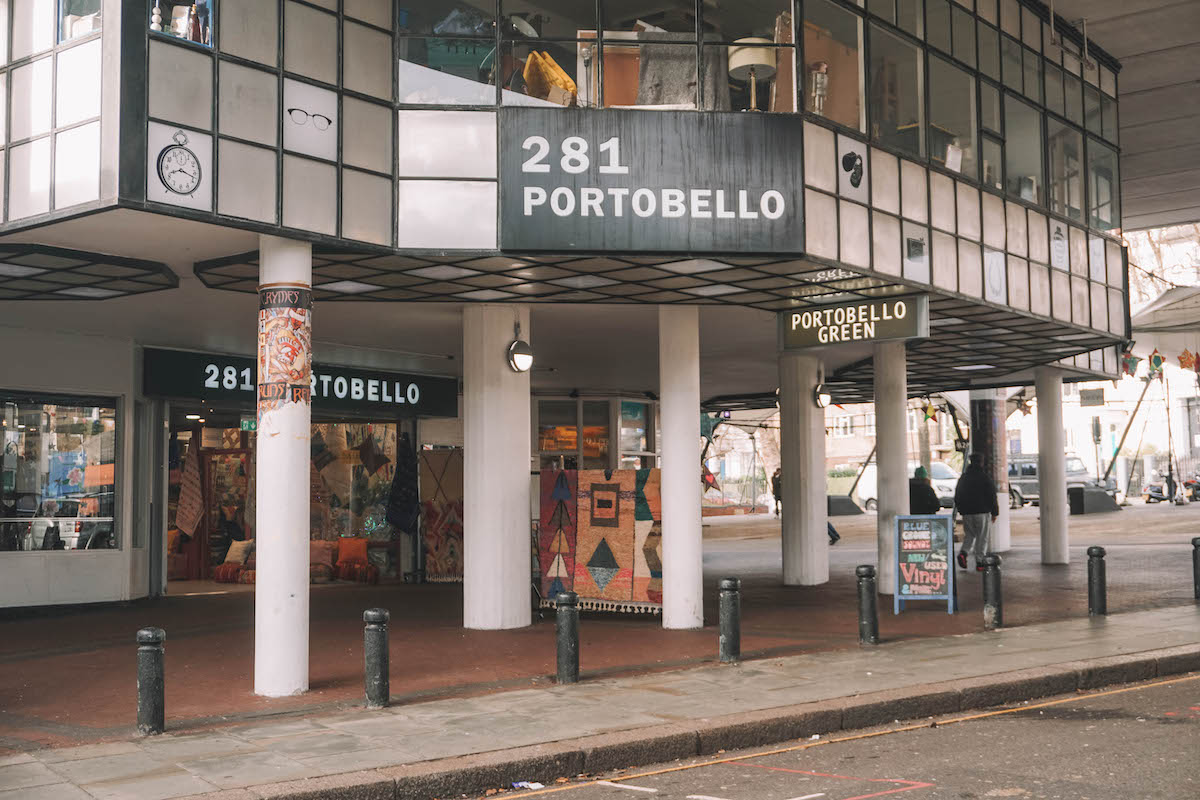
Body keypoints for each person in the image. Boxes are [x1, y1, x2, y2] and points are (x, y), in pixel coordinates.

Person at [953, 452, 999, 571]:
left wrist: (962, 510)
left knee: (970, 534)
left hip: (967, 513)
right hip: (982, 512)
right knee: (982, 537)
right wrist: (995, 512)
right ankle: (980, 562)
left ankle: (964, 552)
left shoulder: (964, 477)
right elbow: (992, 496)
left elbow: (957, 495)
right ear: (981, 463)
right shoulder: (985, 477)